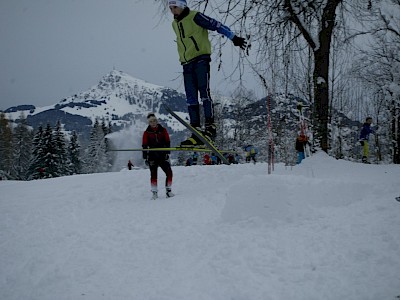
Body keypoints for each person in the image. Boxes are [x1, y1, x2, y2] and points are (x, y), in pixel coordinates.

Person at [168, 0, 247, 146]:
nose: (172, 11)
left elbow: (215, 24)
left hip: (200, 59)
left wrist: (233, 37)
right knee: (191, 98)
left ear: (182, 5)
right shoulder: (175, 24)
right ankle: (196, 132)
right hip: (186, 63)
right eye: (170, 8)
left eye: (175, 7)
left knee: (204, 92)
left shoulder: (195, 16)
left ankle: (210, 127)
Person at [142, 113, 174, 199]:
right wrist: (145, 157)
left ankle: (168, 191)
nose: (153, 123)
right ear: (149, 123)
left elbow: (167, 142)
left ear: (157, 121)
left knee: (169, 173)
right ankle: (154, 193)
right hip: (152, 156)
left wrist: (167, 153)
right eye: (151, 121)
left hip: (162, 155)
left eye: (154, 120)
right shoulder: (146, 133)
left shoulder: (163, 130)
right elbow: (144, 145)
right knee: (153, 175)